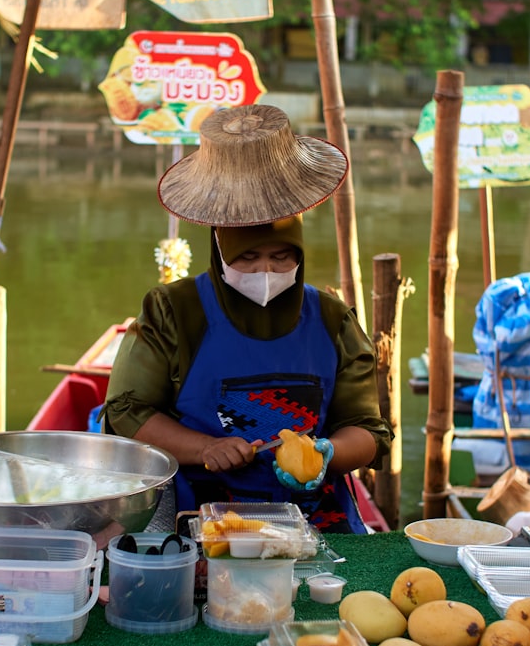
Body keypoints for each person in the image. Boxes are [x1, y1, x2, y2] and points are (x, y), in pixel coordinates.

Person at [103, 104, 392, 533]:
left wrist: (328, 453)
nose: (266, 272)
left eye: (281, 257)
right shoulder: (172, 310)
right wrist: (205, 447)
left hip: (314, 516)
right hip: (200, 514)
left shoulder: (333, 319)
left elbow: (369, 431)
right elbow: (127, 412)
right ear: (220, 253)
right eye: (248, 258)